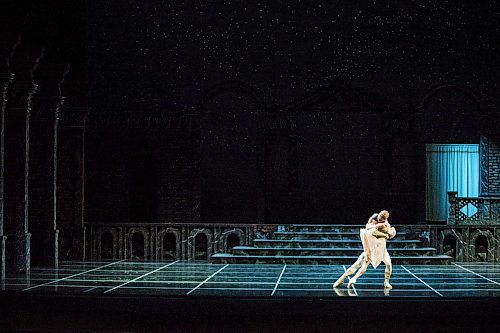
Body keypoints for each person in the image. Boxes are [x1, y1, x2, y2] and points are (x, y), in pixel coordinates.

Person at [333, 210, 396, 290]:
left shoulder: (385, 224)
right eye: (380, 217)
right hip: (371, 247)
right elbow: (369, 230)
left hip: (381, 249)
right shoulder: (374, 220)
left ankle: (386, 282)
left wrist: (387, 231)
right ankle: (342, 279)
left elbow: (390, 234)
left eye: (382, 219)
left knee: (388, 264)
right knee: (360, 263)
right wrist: (381, 231)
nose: (380, 219)